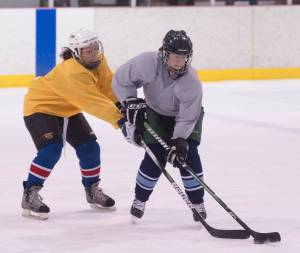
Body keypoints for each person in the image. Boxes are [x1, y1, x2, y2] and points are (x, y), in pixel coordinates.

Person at [22, 28, 123, 219]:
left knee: (90, 148)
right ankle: (29, 194)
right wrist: (121, 119)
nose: (94, 53)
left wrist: (122, 105)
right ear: (77, 53)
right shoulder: (71, 72)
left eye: (95, 48)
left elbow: (107, 86)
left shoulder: (98, 61)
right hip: (41, 106)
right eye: (88, 50)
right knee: (51, 149)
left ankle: (92, 190)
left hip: (68, 107)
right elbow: (93, 102)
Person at [112, 30, 206, 222]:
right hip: (155, 113)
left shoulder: (191, 82)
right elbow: (121, 80)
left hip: (185, 119)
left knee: (187, 156)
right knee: (155, 156)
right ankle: (140, 199)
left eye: (184, 56)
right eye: (175, 55)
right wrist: (130, 101)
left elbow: (187, 118)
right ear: (164, 53)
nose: (180, 60)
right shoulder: (147, 63)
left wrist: (178, 142)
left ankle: (197, 203)